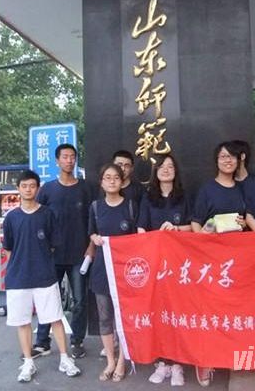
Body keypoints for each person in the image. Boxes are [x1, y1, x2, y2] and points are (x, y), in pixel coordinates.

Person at [1, 170, 81, 382]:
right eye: (24, 186)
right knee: (23, 321)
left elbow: (53, 245)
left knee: (55, 317)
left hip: (45, 276)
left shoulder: (47, 214)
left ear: (38, 188)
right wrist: (21, 263)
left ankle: (65, 358)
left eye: (32, 186)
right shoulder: (11, 218)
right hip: (18, 278)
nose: (28, 189)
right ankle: (28, 362)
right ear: (18, 189)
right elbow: (8, 249)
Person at [191, 141, 247, 387]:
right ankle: (204, 361)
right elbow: (195, 223)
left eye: (232, 157)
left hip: (237, 259)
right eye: (223, 156)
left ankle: (228, 355)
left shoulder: (243, 189)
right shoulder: (207, 189)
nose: (227, 160)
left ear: (238, 161)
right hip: (211, 259)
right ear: (216, 161)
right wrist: (206, 235)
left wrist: (243, 224)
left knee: (233, 309)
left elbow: (248, 219)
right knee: (210, 311)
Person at [31, 144, 93, 360]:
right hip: (53, 255)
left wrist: (91, 247)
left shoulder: (85, 188)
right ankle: (42, 342)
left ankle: (77, 341)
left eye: (72, 157)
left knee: (79, 301)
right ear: (57, 161)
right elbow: (38, 218)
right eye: (65, 157)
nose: (69, 160)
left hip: (79, 255)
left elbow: (93, 220)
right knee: (48, 299)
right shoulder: (47, 190)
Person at [137, 154, 191, 386]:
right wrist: (152, 240)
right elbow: (141, 228)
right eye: (162, 166)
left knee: (177, 313)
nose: (166, 170)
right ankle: (161, 363)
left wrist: (176, 229)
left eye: (170, 166)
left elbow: (194, 227)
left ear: (176, 171)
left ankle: (178, 364)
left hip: (180, 266)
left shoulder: (184, 197)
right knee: (159, 314)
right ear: (156, 172)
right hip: (156, 265)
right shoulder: (148, 197)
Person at [89, 163, 138, 382]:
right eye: (107, 178)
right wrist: (95, 238)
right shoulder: (95, 207)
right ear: (101, 182)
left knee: (123, 318)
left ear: (122, 181)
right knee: (105, 317)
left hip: (125, 272)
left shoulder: (131, 206)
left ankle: (122, 361)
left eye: (116, 178)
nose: (112, 181)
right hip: (102, 269)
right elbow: (91, 233)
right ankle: (110, 360)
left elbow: (138, 238)